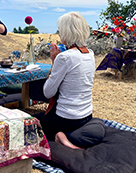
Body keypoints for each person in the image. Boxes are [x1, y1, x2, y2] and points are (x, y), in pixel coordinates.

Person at [33, 12, 95, 149]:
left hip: (66, 119)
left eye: (61, 30)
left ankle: (62, 137)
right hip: (86, 115)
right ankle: (68, 137)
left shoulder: (65, 58)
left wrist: (55, 62)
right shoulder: (90, 53)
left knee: (29, 121)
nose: (60, 34)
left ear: (67, 32)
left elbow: (48, 92)